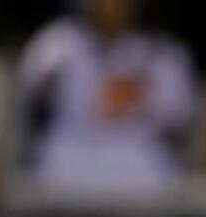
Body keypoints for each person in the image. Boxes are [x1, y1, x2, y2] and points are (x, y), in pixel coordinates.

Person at [16, 0, 195, 194]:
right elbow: (29, 100)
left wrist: (134, 96)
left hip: (141, 172)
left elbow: (180, 118)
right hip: (66, 167)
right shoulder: (56, 45)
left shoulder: (164, 54)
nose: (114, 6)